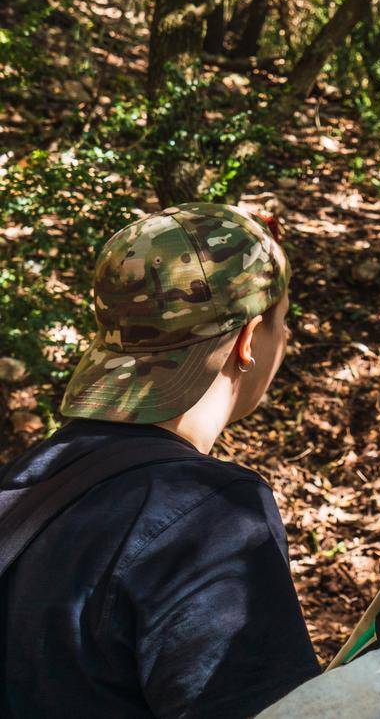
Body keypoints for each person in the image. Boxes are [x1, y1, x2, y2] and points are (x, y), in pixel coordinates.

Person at [0, 203, 320, 718]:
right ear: (246, 340)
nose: (286, 337)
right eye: (282, 321)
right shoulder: (210, 515)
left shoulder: (23, 483)